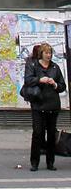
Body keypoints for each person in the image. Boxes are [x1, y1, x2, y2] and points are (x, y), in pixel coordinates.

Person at [24, 42, 66, 171]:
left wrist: (55, 84)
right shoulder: (33, 65)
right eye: (46, 53)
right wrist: (39, 80)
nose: (49, 55)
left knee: (51, 134)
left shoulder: (55, 67)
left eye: (50, 53)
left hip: (53, 105)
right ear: (41, 53)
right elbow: (28, 80)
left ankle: (50, 162)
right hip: (38, 104)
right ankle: (34, 162)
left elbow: (62, 86)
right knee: (38, 133)